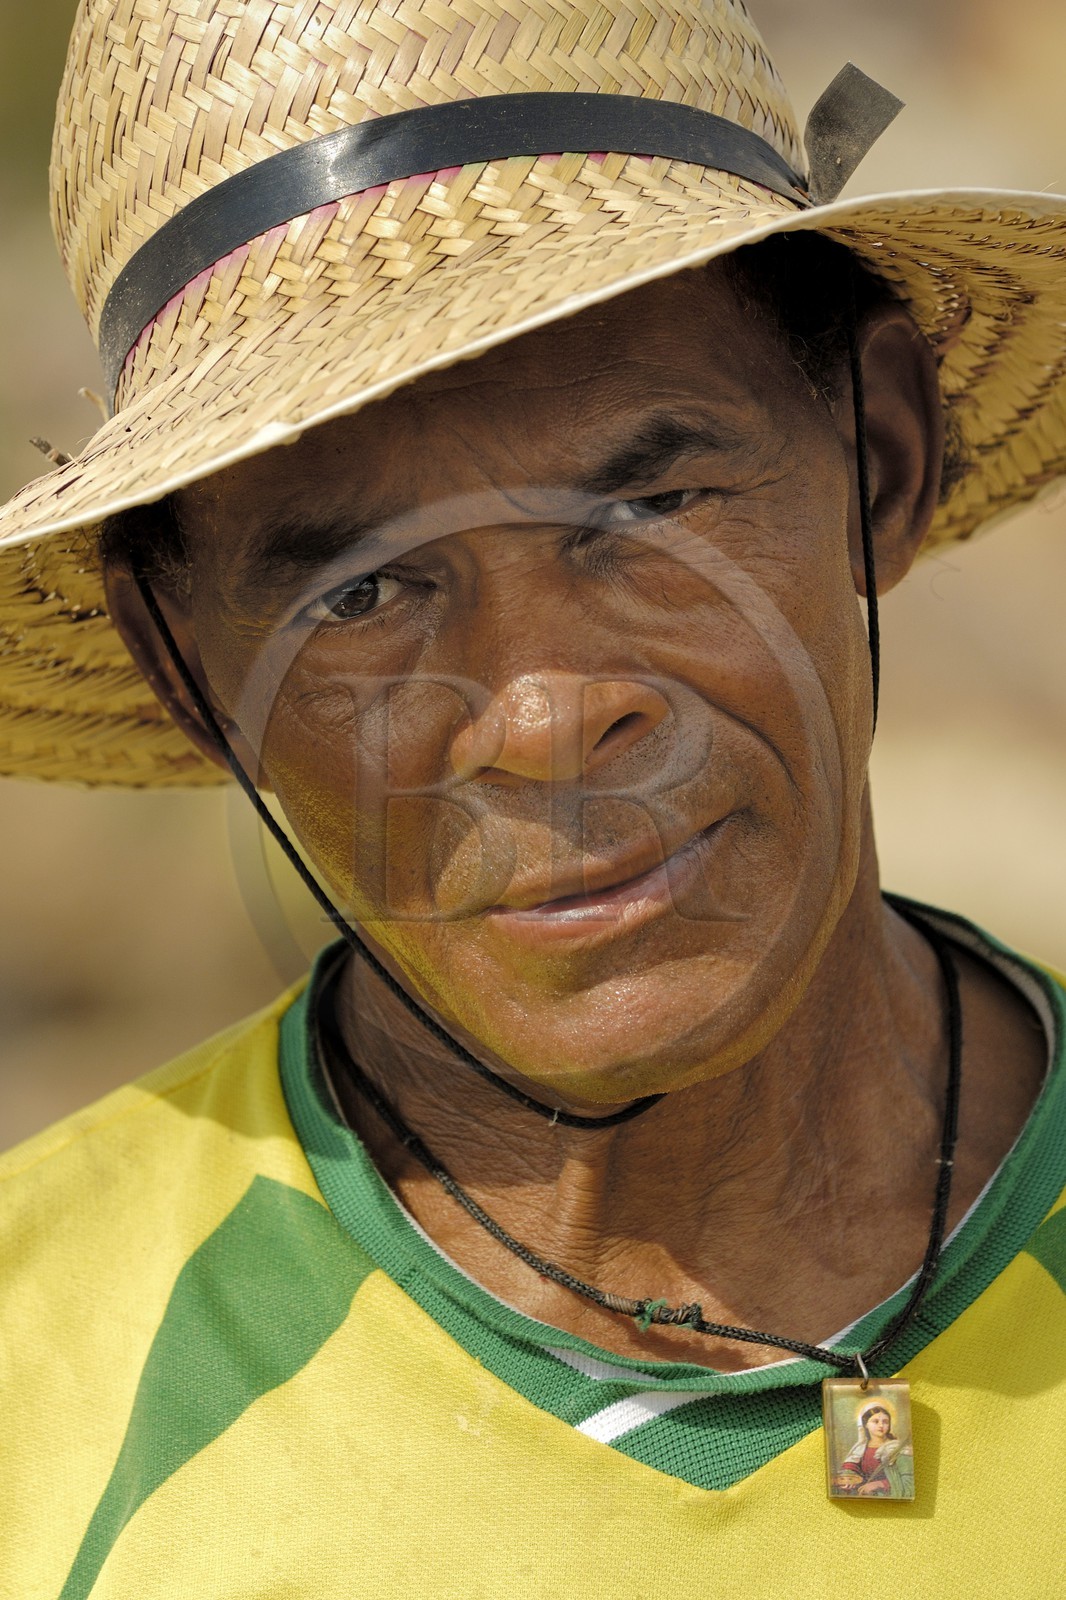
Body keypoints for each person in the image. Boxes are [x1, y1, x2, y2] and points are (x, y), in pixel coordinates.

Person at [1, 0, 1064, 1594]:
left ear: (879, 461)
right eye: (362, 595)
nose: (546, 717)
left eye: (652, 505)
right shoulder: (40, 1380)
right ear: (184, 667)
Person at [831, 1404, 914, 1498]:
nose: (881, 1425)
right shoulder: (860, 1449)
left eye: (885, 1422)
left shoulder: (897, 1449)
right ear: (866, 1424)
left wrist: (879, 1484)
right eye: (875, 1421)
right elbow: (850, 1468)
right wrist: (849, 1479)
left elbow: (908, 1482)